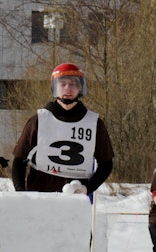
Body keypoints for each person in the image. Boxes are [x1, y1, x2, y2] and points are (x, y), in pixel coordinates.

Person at [11, 62, 114, 195]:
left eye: (73, 84)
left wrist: (88, 188)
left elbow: (106, 164)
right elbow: (19, 160)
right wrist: (21, 193)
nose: (68, 88)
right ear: (55, 87)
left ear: (80, 88)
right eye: (62, 84)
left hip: (75, 199)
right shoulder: (38, 120)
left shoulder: (94, 123)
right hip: (39, 196)